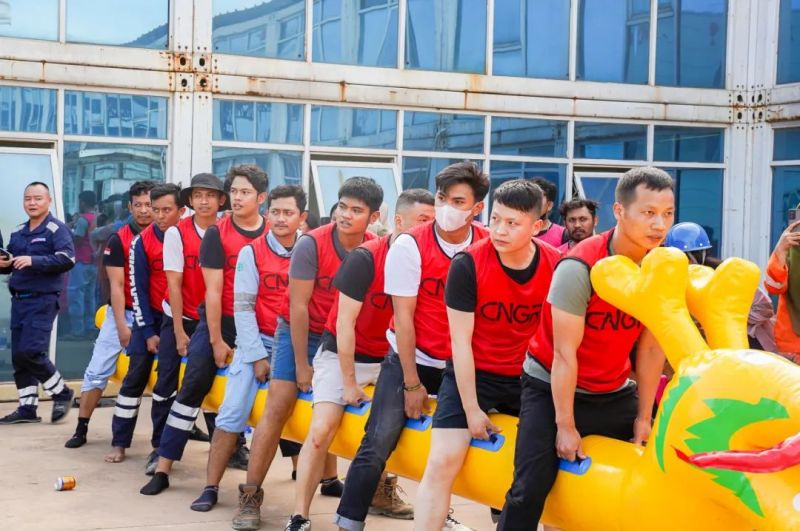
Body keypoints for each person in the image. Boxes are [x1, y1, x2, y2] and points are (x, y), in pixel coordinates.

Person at [497, 167, 673, 530]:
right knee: (528, 490)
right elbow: (564, 354)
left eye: (667, 214)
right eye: (648, 212)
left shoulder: (662, 266)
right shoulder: (579, 266)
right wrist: (565, 425)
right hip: (551, 385)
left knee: (650, 479)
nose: (659, 224)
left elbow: (651, 349)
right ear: (619, 211)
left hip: (612, 389)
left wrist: (644, 417)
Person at [334, 161, 490, 531]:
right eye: (442, 198)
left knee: (489, 443)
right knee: (378, 440)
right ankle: (348, 522)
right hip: (413, 358)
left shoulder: (487, 244)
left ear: (477, 208)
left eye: (458, 201)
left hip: (462, 363)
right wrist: (411, 383)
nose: (446, 208)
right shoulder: (410, 244)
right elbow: (403, 319)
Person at [234, 176, 382, 531]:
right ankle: (250, 495)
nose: (346, 215)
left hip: (344, 335)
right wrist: (302, 364)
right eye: (342, 207)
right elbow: (298, 307)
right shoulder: (311, 244)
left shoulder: (376, 248)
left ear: (374, 217)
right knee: (279, 403)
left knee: (378, 410)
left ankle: (379, 489)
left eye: (356, 210)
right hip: (303, 330)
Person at [414, 180, 561, 530]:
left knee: (548, 469)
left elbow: (561, 342)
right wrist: (471, 409)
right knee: (442, 461)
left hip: (530, 375)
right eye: (496, 219)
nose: (500, 230)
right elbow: (460, 343)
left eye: (513, 223)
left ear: (537, 226)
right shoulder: (467, 263)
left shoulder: (557, 265)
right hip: (474, 373)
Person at [287, 189, 435, 530]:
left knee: (398, 428)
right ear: (399, 222)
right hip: (344, 354)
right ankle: (299, 516)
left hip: (390, 358)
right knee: (322, 430)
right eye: (423, 221)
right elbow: (344, 324)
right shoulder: (366, 258)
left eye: (432, 221)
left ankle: (385, 492)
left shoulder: (428, 260)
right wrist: (349, 382)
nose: (430, 228)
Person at [142, 164, 270, 495]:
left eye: (245, 192)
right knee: (192, 387)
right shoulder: (217, 233)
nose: (238, 197)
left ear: (261, 198)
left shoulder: (273, 232)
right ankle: (164, 466)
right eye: (235, 191)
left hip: (262, 325)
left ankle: (308, 472)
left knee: (278, 393)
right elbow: (212, 292)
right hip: (220, 321)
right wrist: (215, 340)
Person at [189, 184, 307, 513]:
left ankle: (325, 480)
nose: (280, 219)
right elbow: (242, 308)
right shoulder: (251, 253)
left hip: (296, 342)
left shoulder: (309, 250)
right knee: (232, 413)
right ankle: (211, 487)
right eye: (275, 212)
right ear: (267, 213)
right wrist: (256, 356)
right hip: (259, 341)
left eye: (288, 213)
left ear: (302, 217)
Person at [140, 173, 229, 475]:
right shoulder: (177, 233)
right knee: (166, 383)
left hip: (216, 321)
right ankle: (158, 447)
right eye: (198, 195)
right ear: (189, 201)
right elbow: (174, 285)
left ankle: (231, 448)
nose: (204, 201)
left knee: (219, 383)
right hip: (182, 317)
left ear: (221, 200)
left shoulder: (227, 230)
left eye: (210, 195)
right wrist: (178, 331)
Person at [64, 181, 155, 448]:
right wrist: (122, 326)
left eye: (149, 204)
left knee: (175, 375)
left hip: (158, 317)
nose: (144, 210)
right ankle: (81, 428)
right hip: (124, 313)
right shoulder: (119, 239)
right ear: (130, 207)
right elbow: (116, 286)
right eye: (138, 205)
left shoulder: (168, 235)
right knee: (97, 371)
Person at [104, 184, 185, 464]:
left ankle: (160, 447)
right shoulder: (141, 242)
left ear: (180, 211)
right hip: (150, 317)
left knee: (170, 383)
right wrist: (148, 331)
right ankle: (119, 442)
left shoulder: (189, 236)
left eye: (166, 210)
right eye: (155, 209)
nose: (158, 215)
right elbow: (137, 291)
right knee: (135, 377)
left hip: (180, 318)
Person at [0, 182, 76, 424]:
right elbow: (13, 263)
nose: (32, 203)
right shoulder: (18, 231)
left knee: (31, 351)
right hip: (19, 300)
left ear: (49, 201)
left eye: (37, 198)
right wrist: (5, 264)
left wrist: (34, 260)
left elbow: (67, 259)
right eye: (28, 199)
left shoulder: (56, 229)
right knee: (19, 356)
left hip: (42, 300)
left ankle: (61, 392)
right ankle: (27, 409)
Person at [664, 222, 777, 353]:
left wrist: (727, 315)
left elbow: (764, 310)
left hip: (744, 344)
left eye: (686, 257)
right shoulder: (669, 283)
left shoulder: (726, 275)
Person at [67, 190, 98, 339]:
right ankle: (90, 327)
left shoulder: (83, 220)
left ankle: (77, 331)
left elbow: (78, 240)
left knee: (76, 296)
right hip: (93, 262)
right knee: (90, 297)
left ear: (83, 202)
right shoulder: (96, 218)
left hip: (81, 261)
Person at [532, 178, 566, 247]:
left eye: (538, 200)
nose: (532, 204)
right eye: (530, 199)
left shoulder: (563, 235)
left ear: (549, 205)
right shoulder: (517, 231)